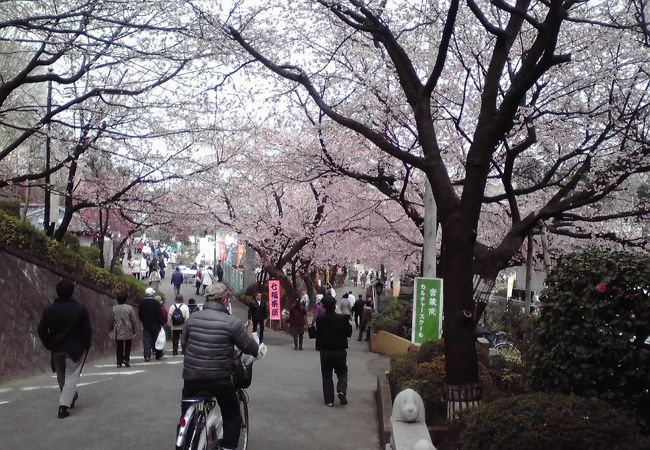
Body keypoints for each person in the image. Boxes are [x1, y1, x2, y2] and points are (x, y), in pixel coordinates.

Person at [181, 283, 262, 450]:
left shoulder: (192, 319)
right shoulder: (231, 322)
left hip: (191, 377)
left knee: (185, 411)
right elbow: (250, 347)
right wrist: (259, 351)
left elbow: (184, 345)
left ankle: (183, 438)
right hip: (219, 379)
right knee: (232, 414)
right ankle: (228, 447)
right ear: (224, 300)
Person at [37, 279, 92, 419]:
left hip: (57, 348)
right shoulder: (80, 308)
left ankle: (70, 397)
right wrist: (86, 345)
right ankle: (63, 407)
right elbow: (87, 330)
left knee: (61, 376)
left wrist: (49, 343)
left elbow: (41, 330)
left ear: (57, 292)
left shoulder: (49, 310)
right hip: (75, 348)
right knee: (71, 377)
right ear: (72, 292)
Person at [315, 294, 352, 407]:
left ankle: (329, 400)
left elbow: (318, 334)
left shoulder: (320, 319)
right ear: (335, 305)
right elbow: (349, 333)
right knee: (342, 372)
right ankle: (341, 390)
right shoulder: (342, 318)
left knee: (326, 375)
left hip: (325, 352)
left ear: (324, 306)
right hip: (340, 351)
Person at [110, 293, 139, 368]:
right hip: (127, 328)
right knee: (128, 345)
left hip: (118, 329)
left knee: (119, 346)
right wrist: (135, 329)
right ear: (126, 299)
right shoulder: (129, 308)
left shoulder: (114, 308)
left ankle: (119, 362)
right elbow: (133, 320)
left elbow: (111, 320)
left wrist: (110, 329)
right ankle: (126, 359)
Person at [138, 287, 164, 362]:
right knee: (157, 340)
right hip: (156, 325)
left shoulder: (142, 302)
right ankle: (158, 355)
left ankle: (147, 356)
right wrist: (161, 323)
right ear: (152, 294)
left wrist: (143, 321)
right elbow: (159, 314)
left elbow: (140, 314)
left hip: (146, 324)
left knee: (146, 341)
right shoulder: (156, 303)